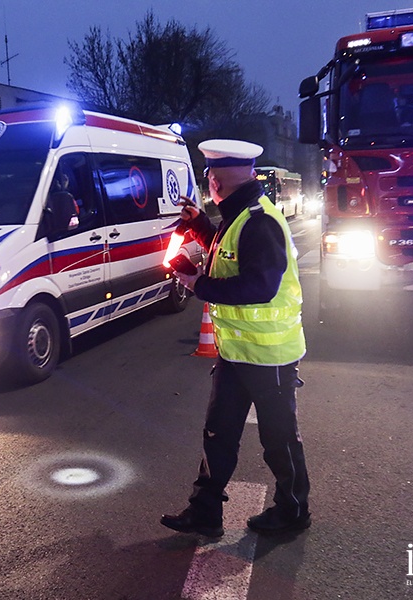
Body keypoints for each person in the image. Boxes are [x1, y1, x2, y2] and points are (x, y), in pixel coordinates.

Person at [160, 139, 311, 538]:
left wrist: (198, 284)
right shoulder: (238, 214)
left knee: (278, 437)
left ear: (215, 180)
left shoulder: (259, 219)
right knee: (218, 433)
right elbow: (228, 253)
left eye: (208, 177)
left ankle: (294, 510)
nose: (208, 183)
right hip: (236, 353)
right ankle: (205, 511)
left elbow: (259, 286)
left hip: (271, 355)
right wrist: (199, 225)